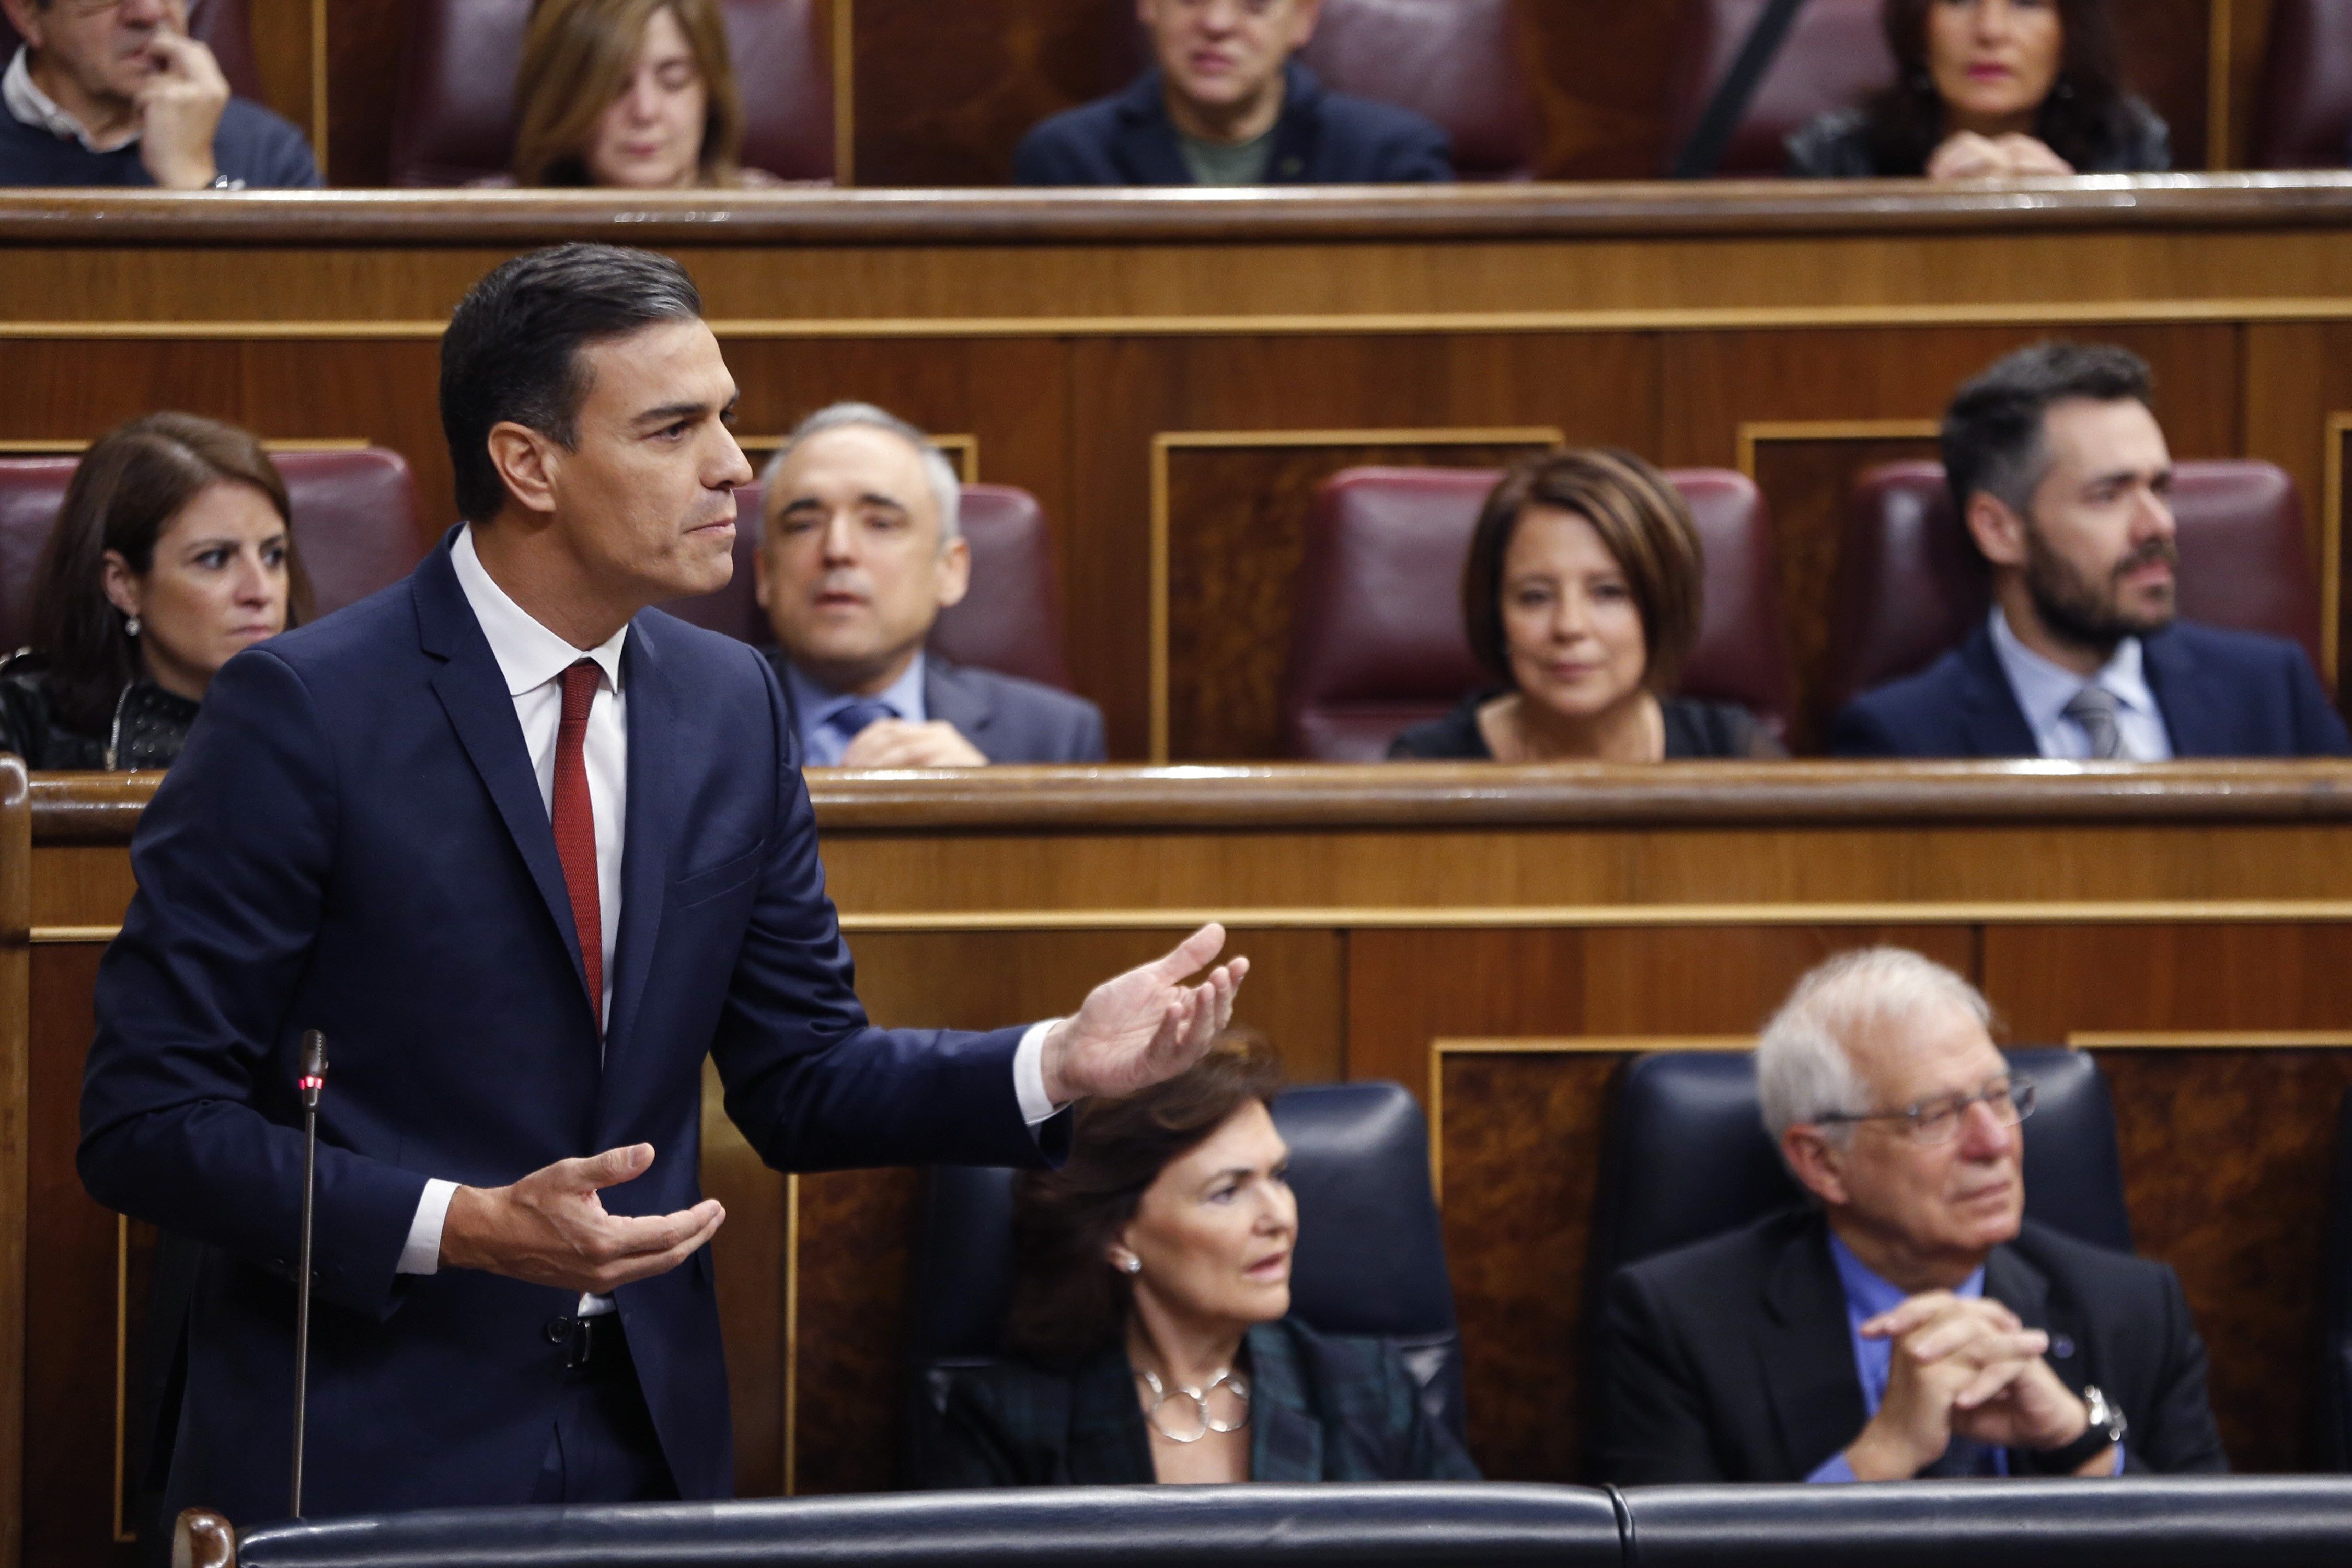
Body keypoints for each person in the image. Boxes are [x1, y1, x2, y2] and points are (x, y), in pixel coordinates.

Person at [78, 243, 1252, 1524]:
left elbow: (800, 1077)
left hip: (645, 1439)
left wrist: (1059, 1062)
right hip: (361, 1445)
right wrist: (464, 1222)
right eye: (673, 427)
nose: (732, 468)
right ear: (528, 464)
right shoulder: (302, 711)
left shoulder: (727, 700)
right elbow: (146, 1120)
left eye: (727, 421)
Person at [1593, 947, 2227, 1484]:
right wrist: (1880, 1457)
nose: (1995, 1143)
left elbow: (2224, 1553)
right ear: (1823, 1163)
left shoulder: (2135, 1311)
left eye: (2001, 1096)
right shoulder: (1682, 1324)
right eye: (1936, 1115)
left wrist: (2080, 1444)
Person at [923, 1033, 1479, 1486]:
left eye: (1277, 1177)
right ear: (1120, 1237)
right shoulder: (1011, 1420)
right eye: (1227, 1192)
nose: (1279, 1217)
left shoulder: (1370, 1392)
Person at [1831, 343, 2350, 759]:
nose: (2159, 524)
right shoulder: (1903, 739)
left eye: (2160, 488)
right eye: (2108, 496)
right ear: (1998, 530)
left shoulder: (2272, 696)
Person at [755, 402, 1105, 768]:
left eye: (881, 524)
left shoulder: (1056, 736)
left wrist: (988, 806)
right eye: (803, 525)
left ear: (949, 570)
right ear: (765, 575)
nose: (837, 549)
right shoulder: (701, 724)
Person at [1389, 449, 1778, 762]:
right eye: (1535, 597)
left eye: (1609, 593)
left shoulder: (1730, 751)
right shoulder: (1429, 765)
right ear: (1496, 614)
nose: (1570, 626)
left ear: (1661, 605)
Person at [0, 412, 310, 771]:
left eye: (273, 555)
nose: (261, 591)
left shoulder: (340, 713)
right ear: (123, 585)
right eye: (214, 559)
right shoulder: (21, 723)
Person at [1014, 0, 1451, 187]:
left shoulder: (1389, 159)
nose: (1218, 24)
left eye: (1254, 4)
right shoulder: (1066, 161)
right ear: (1149, 6)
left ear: (1302, 20)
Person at [1787, 0, 2169, 180]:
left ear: (2070, 33)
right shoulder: (1836, 155)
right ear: (1919, 28)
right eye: (1960, 1)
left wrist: (2068, 215)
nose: (1991, 31)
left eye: (2026, 3)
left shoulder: (2127, 145)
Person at [0, 0, 318, 187]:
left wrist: (194, 179)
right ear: (27, 13)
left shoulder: (270, 152)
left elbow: (281, 300)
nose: (150, 11)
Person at [511, 0, 779, 189]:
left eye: (674, 81)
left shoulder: (786, 219)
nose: (645, 111)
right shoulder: (487, 222)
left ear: (710, 93)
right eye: (614, 86)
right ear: (563, 97)